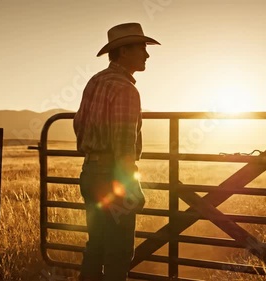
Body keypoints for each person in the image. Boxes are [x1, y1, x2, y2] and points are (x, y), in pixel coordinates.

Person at [73, 23, 160, 281]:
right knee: (119, 252)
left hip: (90, 172)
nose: (147, 55)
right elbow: (124, 145)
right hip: (112, 177)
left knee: (96, 246)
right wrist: (132, 186)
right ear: (124, 51)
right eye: (142, 48)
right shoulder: (126, 89)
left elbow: (78, 123)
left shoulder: (95, 81)